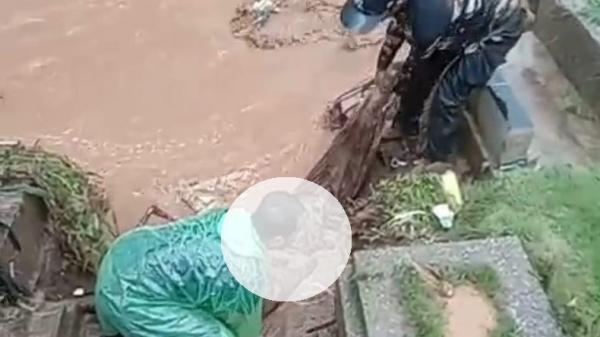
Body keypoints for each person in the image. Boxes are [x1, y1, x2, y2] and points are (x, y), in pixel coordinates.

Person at [94, 191, 311, 337]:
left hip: (121, 255)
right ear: (278, 241)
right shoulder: (243, 273)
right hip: (125, 302)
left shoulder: (225, 215)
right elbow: (247, 331)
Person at [339, 0, 533, 163]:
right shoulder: (410, 9)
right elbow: (397, 31)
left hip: (500, 25)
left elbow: (419, 55)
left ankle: (438, 161)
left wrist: (398, 78)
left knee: (448, 94)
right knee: (420, 74)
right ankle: (407, 126)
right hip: (459, 19)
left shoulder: (429, 18)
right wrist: (381, 70)